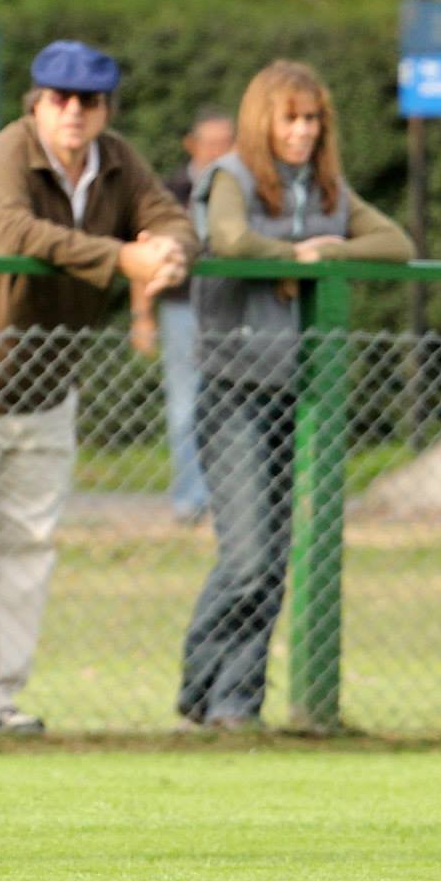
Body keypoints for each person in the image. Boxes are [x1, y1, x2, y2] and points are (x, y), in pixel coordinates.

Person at [0, 42, 194, 734]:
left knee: (27, 544)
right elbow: (12, 228)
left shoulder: (117, 160)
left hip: (46, 387)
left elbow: (169, 214)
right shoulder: (10, 150)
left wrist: (171, 248)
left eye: (88, 101)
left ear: (104, 109)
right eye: (59, 98)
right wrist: (125, 256)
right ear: (36, 101)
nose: (73, 112)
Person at [176, 60, 411, 731]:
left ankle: (234, 704)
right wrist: (293, 256)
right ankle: (199, 689)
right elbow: (228, 238)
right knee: (247, 558)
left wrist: (325, 254)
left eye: (313, 119)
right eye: (291, 118)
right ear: (263, 120)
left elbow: (395, 242)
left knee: (274, 562)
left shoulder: (328, 187)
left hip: (296, 392)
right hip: (235, 388)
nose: (304, 131)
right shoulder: (233, 175)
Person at [132, 108, 235, 522]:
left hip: (232, 308)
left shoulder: (244, 187)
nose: (217, 151)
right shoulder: (170, 192)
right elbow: (140, 252)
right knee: (186, 405)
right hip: (182, 309)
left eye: (225, 143)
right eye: (209, 143)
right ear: (192, 145)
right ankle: (191, 502)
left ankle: (229, 500)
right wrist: (142, 316)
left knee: (232, 403)